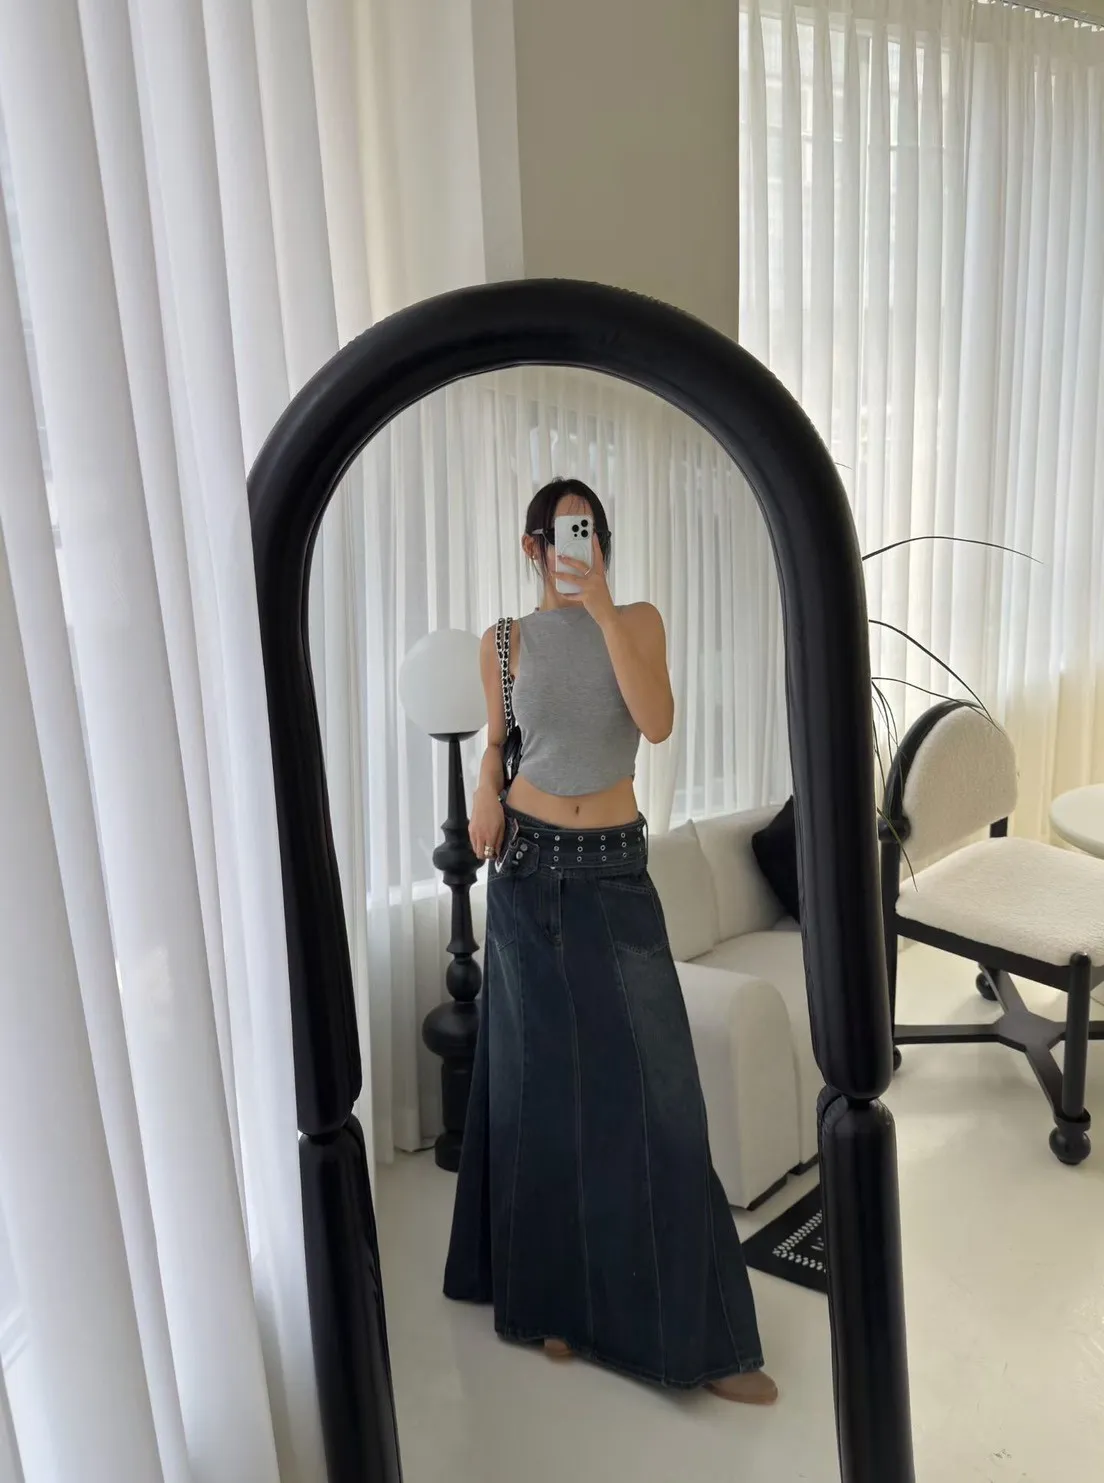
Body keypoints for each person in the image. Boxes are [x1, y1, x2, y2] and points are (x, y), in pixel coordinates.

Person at [443, 477, 777, 1405]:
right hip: (527, 873)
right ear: (532, 546)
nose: (574, 547)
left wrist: (599, 608)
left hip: (616, 870)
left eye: (587, 532)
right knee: (543, 1092)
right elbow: (500, 739)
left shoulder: (638, 621)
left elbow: (656, 721)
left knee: (658, 1094)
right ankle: (554, 1305)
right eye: (560, 534)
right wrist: (483, 788)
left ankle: (707, 1340)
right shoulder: (503, 641)